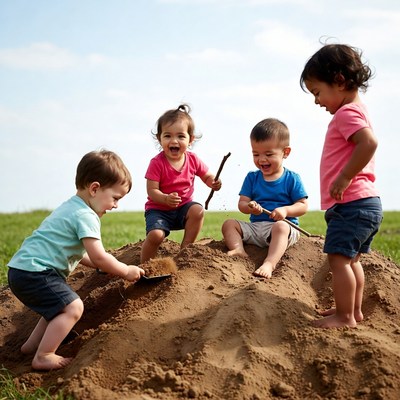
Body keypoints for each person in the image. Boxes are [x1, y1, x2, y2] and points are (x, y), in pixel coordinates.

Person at [7, 150, 145, 370]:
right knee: (73, 308)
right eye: (115, 198)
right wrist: (125, 270)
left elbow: (79, 254)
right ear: (94, 188)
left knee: (57, 307)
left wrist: (99, 267)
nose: (116, 205)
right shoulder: (86, 216)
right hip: (36, 272)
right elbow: (99, 256)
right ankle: (44, 355)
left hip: (21, 270)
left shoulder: (70, 207)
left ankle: (30, 347)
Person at [300, 43, 383, 328]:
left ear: (338, 81)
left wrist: (345, 176)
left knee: (338, 261)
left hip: (353, 204)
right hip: (366, 204)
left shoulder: (347, 114)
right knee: (351, 261)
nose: (317, 101)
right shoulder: (358, 110)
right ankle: (353, 310)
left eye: (317, 92)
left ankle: (345, 316)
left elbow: (369, 143)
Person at [222, 118, 308, 278]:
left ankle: (270, 263)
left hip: (284, 228)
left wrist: (286, 210)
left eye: (269, 154)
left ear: (286, 152)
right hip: (257, 227)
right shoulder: (252, 177)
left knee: (280, 228)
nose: (261, 159)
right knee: (229, 224)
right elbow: (242, 203)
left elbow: (302, 205)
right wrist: (250, 207)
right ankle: (238, 249)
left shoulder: (292, 178)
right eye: (256, 154)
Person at [141, 104, 222, 263]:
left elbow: (206, 175)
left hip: (183, 210)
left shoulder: (193, 159)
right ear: (159, 138)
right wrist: (165, 199)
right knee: (156, 236)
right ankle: (145, 264)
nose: (174, 141)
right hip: (159, 210)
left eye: (180, 136)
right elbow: (151, 191)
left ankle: (185, 249)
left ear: (190, 139)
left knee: (197, 210)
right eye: (168, 136)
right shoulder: (157, 163)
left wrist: (213, 182)